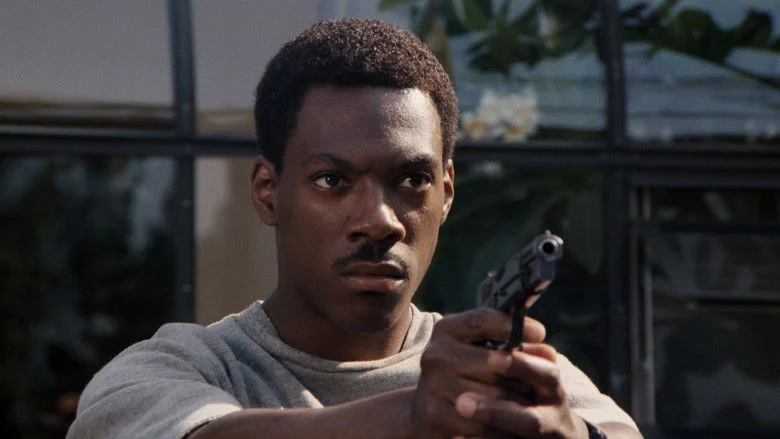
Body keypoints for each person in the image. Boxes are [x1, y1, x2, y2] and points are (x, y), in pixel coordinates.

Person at [68, 18, 642, 439]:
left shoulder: (508, 378)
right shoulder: (177, 368)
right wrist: (410, 417)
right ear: (267, 191)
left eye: (412, 180)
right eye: (332, 180)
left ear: (446, 193)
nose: (378, 221)